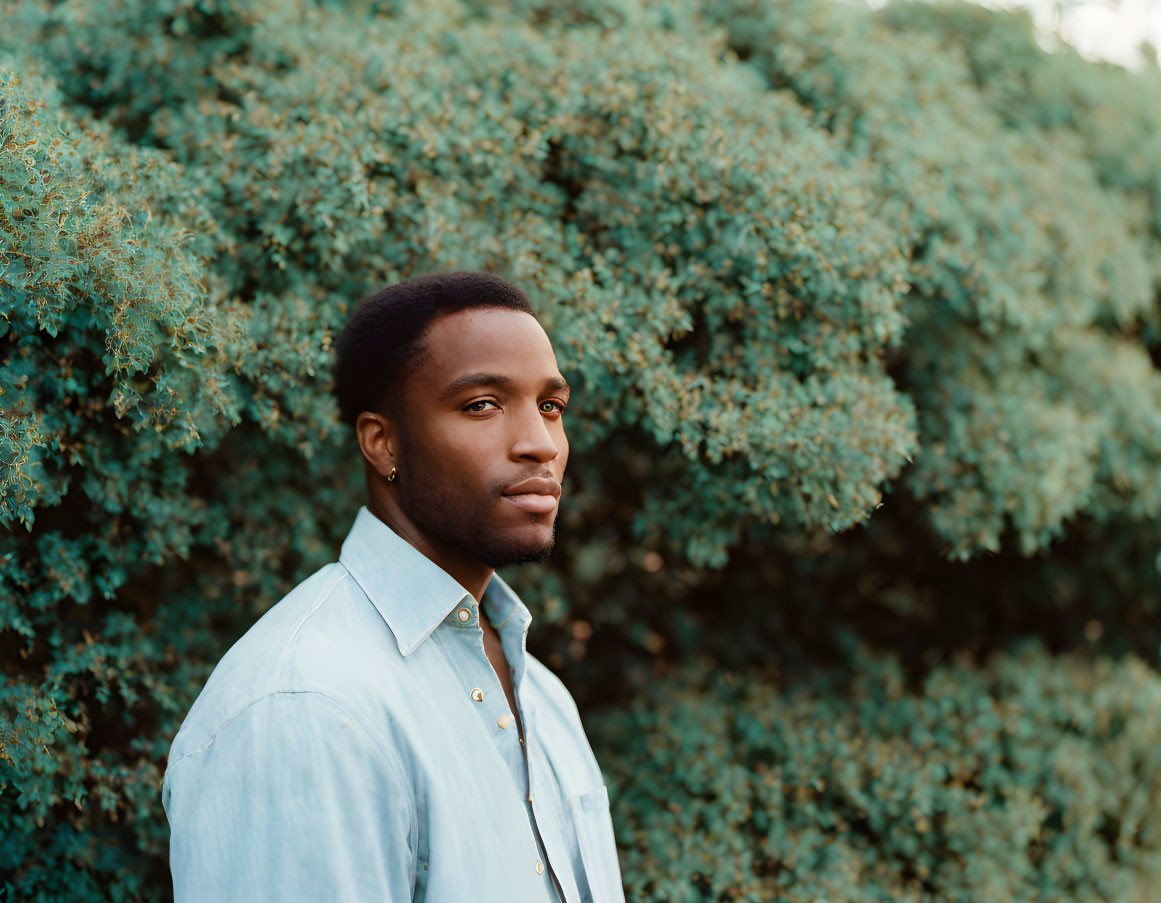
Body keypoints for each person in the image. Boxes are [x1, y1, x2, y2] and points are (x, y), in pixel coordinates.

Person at [161, 271, 626, 902]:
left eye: (551, 406)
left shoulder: (543, 698)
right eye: (482, 404)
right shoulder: (307, 706)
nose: (540, 444)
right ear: (382, 443)